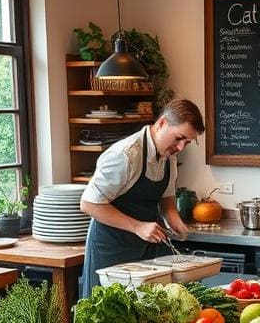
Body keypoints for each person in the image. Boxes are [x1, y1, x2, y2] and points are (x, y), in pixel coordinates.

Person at [79, 98, 205, 297]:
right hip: (111, 249)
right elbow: (88, 204)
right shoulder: (125, 155)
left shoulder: (169, 155)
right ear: (162, 123)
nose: (181, 147)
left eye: (187, 142)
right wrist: (138, 226)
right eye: (179, 138)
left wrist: (175, 221)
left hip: (146, 250)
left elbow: (166, 197)